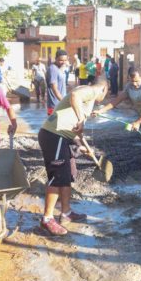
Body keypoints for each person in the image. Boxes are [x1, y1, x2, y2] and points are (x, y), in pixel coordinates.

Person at [38, 80, 109, 236]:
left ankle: (66, 212)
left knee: (68, 175)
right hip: (54, 136)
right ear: (104, 88)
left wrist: (80, 144)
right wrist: (81, 119)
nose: (105, 96)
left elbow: (74, 128)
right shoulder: (90, 90)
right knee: (57, 176)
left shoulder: (88, 98)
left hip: (64, 137)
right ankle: (47, 218)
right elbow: (75, 96)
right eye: (107, 93)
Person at [93, 67, 141, 181]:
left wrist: (137, 122)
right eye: (132, 81)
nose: (135, 84)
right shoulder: (128, 87)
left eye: (137, 81)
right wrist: (100, 111)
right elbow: (116, 101)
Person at [46, 50, 68, 116]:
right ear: (56, 59)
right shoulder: (53, 69)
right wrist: (64, 102)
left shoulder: (59, 69)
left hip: (60, 104)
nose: (63, 62)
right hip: (55, 106)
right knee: (53, 125)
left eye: (65, 60)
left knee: (61, 125)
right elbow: (54, 89)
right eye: (61, 60)